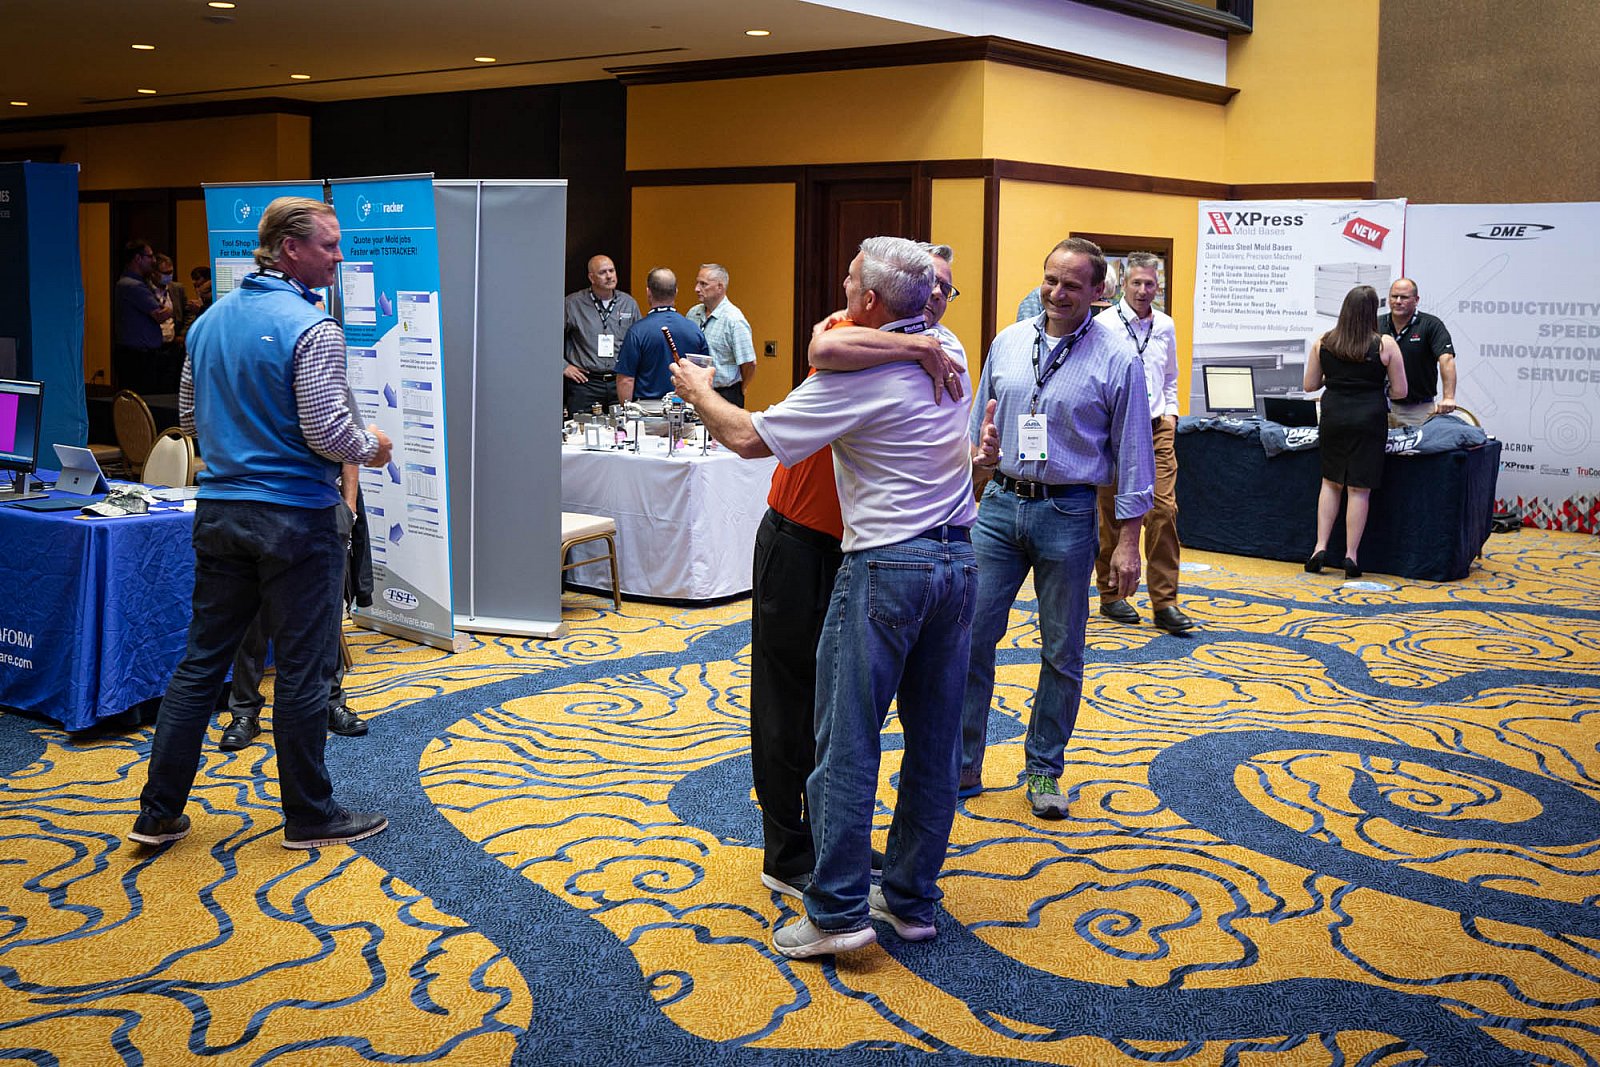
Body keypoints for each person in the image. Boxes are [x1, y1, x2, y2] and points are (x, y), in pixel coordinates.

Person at [671, 236, 988, 960]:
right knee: (934, 744)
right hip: (957, 562)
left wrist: (699, 392)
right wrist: (910, 343)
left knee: (846, 742)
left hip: (887, 566)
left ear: (870, 301)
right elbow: (825, 340)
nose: (839, 290)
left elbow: (747, 437)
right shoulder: (948, 349)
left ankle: (839, 909)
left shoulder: (859, 376)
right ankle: (909, 899)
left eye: (849, 281)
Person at [128, 196, 394, 851]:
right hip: (297, 520)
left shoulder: (207, 323)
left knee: (199, 666)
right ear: (289, 249)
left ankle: (158, 812)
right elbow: (328, 433)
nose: (339, 257)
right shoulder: (314, 328)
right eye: (329, 245)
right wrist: (373, 446)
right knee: (303, 671)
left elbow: (188, 420)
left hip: (221, 514)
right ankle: (310, 814)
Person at [746, 242, 968, 904]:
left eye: (946, 289)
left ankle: (830, 845)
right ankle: (789, 851)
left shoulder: (942, 351)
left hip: (870, 554)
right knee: (789, 704)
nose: (936, 298)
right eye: (930, 286)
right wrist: (914, 346)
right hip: (803, 537)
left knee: (841, 714)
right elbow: (821, 346)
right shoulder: (857, 337)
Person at [960, 237, 1155, 819]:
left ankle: (1044, 767)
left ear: (1098, 292)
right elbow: (977, 427)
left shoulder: (1118, 358)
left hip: (1068, 512)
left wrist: (1128, 543)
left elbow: (1134, 454)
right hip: (999, 506)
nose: (1057, 293)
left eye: (1072, 284)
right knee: (969, 639)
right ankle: (962, 763)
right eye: (1051, 279)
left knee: (1062, 649)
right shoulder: (1008, 342)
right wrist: (976, 464)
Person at [219, 457, 371, 750]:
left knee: (325, 618)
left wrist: (349, 509)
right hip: (261, 509)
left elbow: (350, 451)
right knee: (252, 621)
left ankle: (331, 703)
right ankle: (244, 713)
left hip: (321, 508)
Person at [1094, 252, 1190, 632]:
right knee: (1112, 514)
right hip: (1113, 430)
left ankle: (1165, 602)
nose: (1143, 290)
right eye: (1136, 283)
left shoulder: (1165, 325)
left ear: (1157, 286)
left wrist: (1171, 415)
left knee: (1163, 511)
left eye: (1150, 284)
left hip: (1155, 428)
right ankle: (1111, 595)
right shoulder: (1102, 325)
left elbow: (1170, 376)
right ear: (1124, 283)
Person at [1303, 285, 1408, 579]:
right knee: (1359, 489)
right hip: (1369, 418)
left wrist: (1334, 378)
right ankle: (1351, 555)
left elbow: (1310, 385)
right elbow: (1401, 391)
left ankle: (1319, 548)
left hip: (1334, 415)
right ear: (1373, 310)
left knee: (1330, 482)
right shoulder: (1385, 344)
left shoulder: (1324, 342)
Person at [562, 254, 641, 414]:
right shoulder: (572, 304)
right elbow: (549, 339)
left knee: (623, 427)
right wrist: (563, 366)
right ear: (591, 277)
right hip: (586, 383)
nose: (609, 276)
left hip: (619, 382)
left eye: (612, 270)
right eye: (603, 272)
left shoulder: (628, 304)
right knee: (582, 428)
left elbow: (639, 342)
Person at [615, 268, 705, 404]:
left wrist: (626, 410)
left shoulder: (637, 332)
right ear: (676, 292)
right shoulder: (694, 330)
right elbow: (704, 375)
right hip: (686, 407)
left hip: (647, 409)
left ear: (648, 292)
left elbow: (626, 380)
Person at [1380, 278, 1456, 427]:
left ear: (1416, 300)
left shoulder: (1431, 325)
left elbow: (1446, 359)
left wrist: (1448, 397)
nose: (1398, 301)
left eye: (1404, 297)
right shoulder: (1376, 324)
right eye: (1394, 296)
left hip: (1417, 410)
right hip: (1380, 407)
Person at [685, 264, 757, 407]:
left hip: (725, 394)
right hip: (696, 391)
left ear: (720, 287)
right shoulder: (693, 313)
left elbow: (749, 363)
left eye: (703, 284)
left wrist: (741, 389)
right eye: (697, 283)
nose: (696, 289)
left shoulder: (734, 320)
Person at [113, 238, 171, 393]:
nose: (153, 261)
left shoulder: (132, 282)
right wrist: (170, 310)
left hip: (137, 355)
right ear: (138, 258)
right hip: (138, 358)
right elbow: (160, 315)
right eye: (150, 256)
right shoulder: (133, 285)